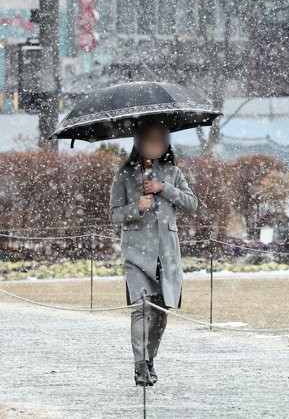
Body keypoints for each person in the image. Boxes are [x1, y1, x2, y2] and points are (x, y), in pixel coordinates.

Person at [109, 122, 198, 387]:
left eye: (160, 138)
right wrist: (135, 207)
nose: (154, 143)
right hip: (136, 255)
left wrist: (164, 188)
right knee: (141, 309)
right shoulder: (124, 175)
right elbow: (114, 214)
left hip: (166, 255)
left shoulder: (173, 172)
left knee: (160, 312)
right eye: (149, 138)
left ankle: (149, 360)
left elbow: (192, 204)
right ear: (138, 141)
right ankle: (139, 366)